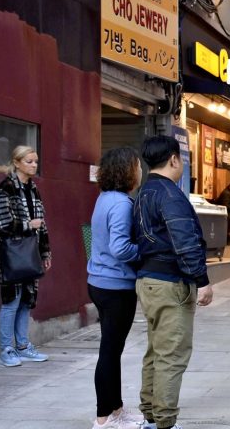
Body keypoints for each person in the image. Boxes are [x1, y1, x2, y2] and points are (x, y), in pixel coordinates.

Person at [133, 135, 214, 429]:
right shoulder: (170, 194)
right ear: (174, 159)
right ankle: (164, 422)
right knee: (172, 355)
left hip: (148, 280)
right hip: (170, 282)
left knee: (156, 351)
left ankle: (150, 416)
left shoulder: (143, 192)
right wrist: (202, 280)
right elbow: (185, 241)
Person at [88, 147, 145, 429]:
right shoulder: (122, 204)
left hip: (99, 282)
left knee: (113, 349)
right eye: (137, 166)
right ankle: (103, 418)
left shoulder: (105, 198)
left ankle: (116, 409)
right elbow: (121, 248)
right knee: (110, 351)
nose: (140, 171)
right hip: (115, 286)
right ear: (127, 171)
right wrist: (146, 251)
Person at [0, 145, 51, 367]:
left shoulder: (33, 189)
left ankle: (23, 346)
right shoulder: (6, 187)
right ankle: (6, 349)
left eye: (35, 161)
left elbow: (42, 224)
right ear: (16, 163)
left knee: (27, 300)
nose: (34, 165)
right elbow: (0, 220)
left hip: (30, 252)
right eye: (29, 161)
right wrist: (28, 225)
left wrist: (45, 251)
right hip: (10, 252)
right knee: (11, 300)